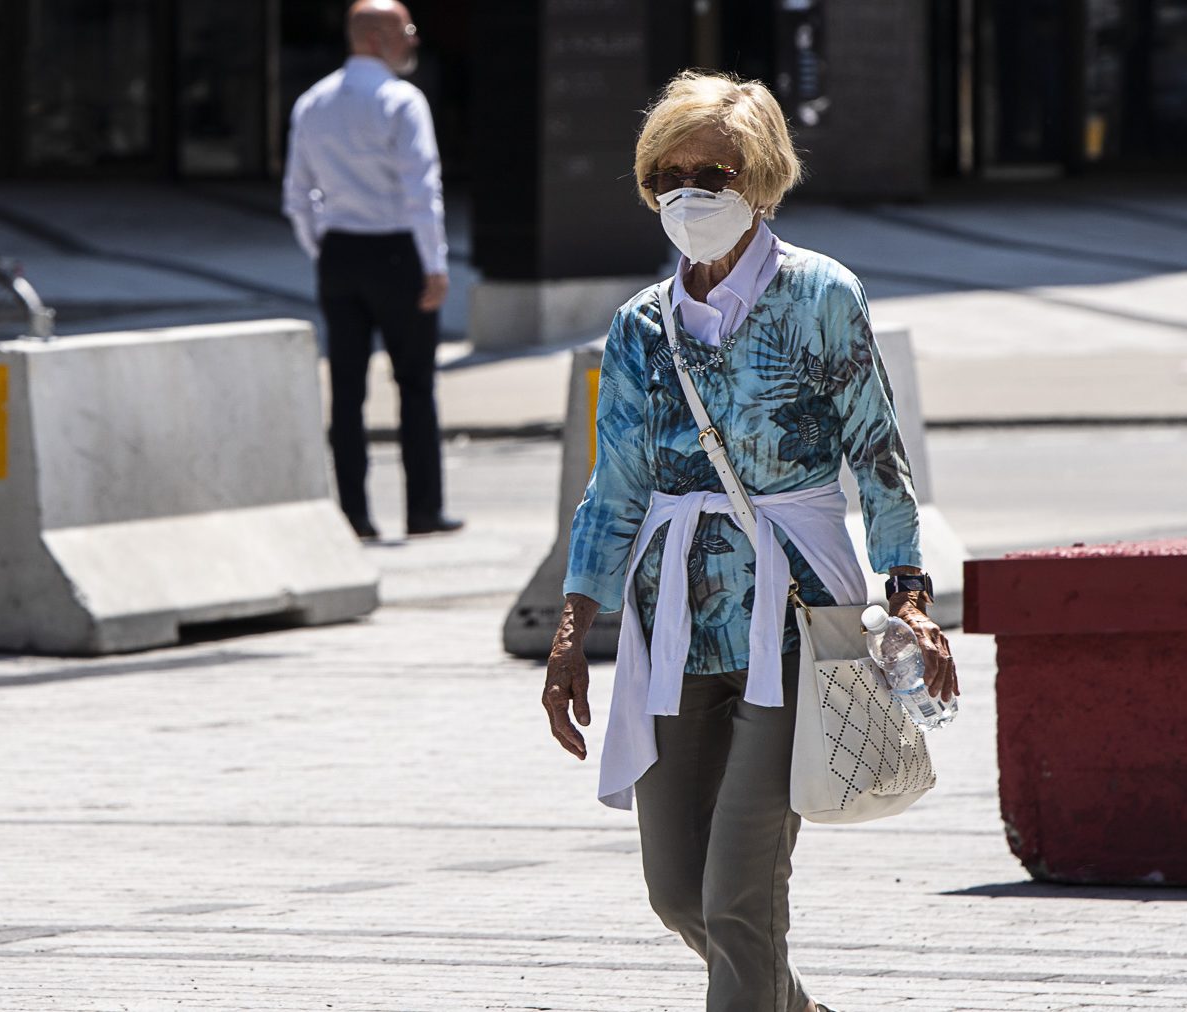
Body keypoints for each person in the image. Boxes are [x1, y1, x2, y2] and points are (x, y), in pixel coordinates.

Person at [540, 71, 958, 1012]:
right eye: (672, 172)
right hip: (675, 626)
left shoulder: (820, 296)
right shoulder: (640, 327)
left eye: (716, 174)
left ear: (761, 183)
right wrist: (573, 632)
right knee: (676, 892)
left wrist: (911, 602)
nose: (692, 191)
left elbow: (880, 462)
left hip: (795, 623)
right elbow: (613, 490)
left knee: (737, 896)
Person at [283, 0, 463, 541]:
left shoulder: (312, 102)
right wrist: (434, 264)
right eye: (406, 31)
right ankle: (423, 511)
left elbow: (296, 197)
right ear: (377, 39)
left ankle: (354, 516)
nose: (413, 40)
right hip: (396, 253)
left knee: (346, 387)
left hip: (341, 253)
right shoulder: (402, 101)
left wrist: (325, 249)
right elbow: (421, 190)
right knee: (414, 384)